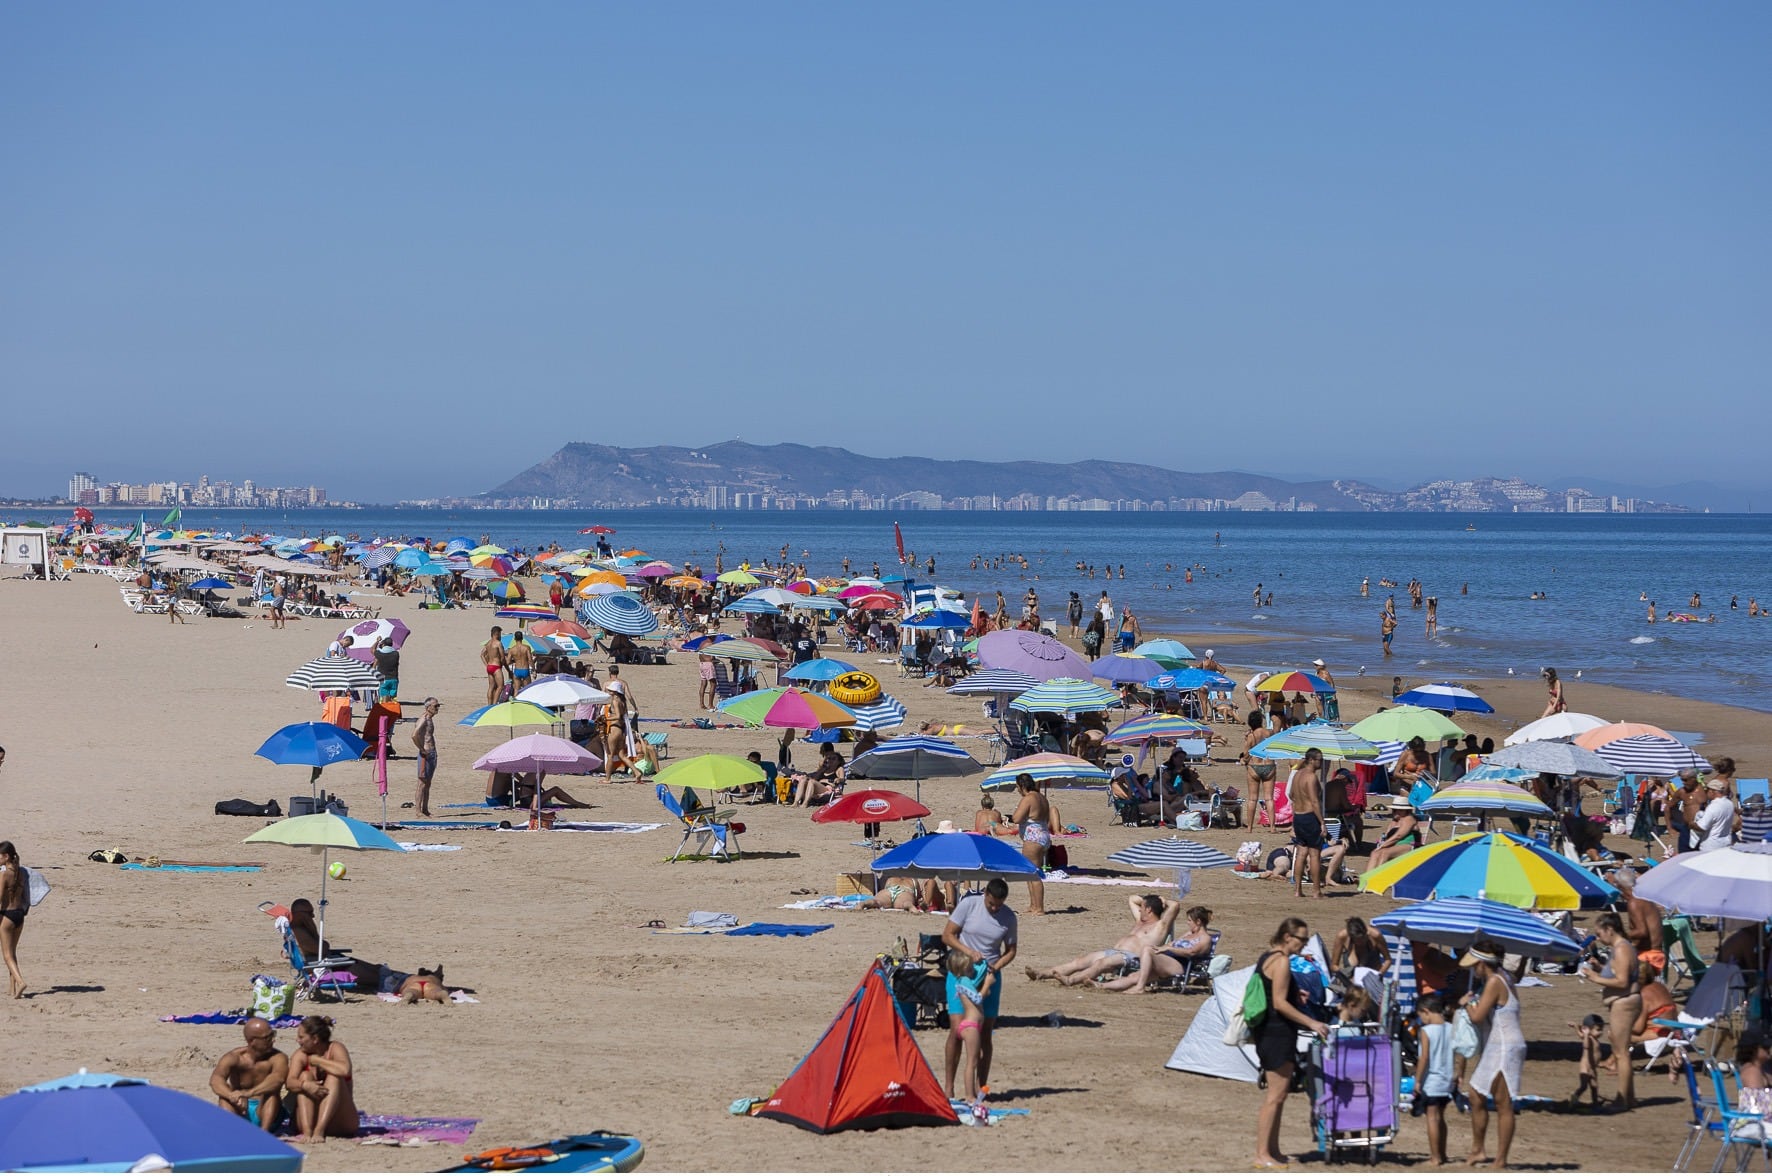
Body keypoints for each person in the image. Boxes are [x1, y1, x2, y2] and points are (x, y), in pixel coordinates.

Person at [1252, 917, 1330, 1169]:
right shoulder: (1282, 961)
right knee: (1275, 1096)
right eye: (1302, 940)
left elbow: (1278, 992)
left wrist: (1297, 994)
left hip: (1271, 1032)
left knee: (1281, 1093)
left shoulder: (1268, 957)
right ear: (1288, 937)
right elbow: (1279, 1003)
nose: (1304, 945)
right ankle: (1262, 1154)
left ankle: (1273, 1150)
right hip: (1276, 1033)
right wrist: (1312, 1023)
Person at [941, 879, 1017, 1099]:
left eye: (999, 905)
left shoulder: (1008, 917)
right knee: (957, 1029)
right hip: (962, 970)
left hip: (989, 974)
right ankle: (948, 1087)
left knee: (985, 1032)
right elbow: (948, 935)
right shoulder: (969, 905)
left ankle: (981, 1087)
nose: (995, 908)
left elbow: (1011, 950)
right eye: (992, 904)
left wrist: (998, 965)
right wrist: (968, 951)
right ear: (985, 894)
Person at [1024, 894, 1179, 986]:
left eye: (1143, 906)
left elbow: (1175, 905)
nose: (1140, 908)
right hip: (1115, 953)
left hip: (1133, 958)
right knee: (1079, 961)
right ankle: (1042, 974)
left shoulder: (1160, 926)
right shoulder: (1140, 920)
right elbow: (1132, 899)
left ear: (1149, 910)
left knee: (1100, 964)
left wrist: (1162, 900)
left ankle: (1070, 980)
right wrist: (1148, 900)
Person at [1461, 943, 1522, 1168]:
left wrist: (1467, 1004)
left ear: (1482, 964)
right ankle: (1478, 1150)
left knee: (1502, 1102)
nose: (1472, 971)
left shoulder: (1495, 981)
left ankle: (1501, 1159)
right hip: (1499, 1043)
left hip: (1504, 1045)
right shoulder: (1502, 977)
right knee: (1476, 1095)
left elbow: (1477, 1016)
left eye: (1474, 966)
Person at [1579, 913, 1640, 1109]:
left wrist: (1596, 978)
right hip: (1623, 1001)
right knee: (1621, 1051)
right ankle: (1628, 1097)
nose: (1598, 938)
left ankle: (1622, 1099)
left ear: (1609, 929)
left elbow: (1622, 981)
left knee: (1620, 1052)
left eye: (1599, 933)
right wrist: (1601, 967)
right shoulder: (1620, 948)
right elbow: (1619, 972)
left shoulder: (1622, 949)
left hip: (1624, 1002)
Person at [1098, 905, 1214, 992]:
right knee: (1133, 976)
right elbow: (1172, 944)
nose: (1187, 923)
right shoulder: (1189, 934)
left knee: (1148, 949)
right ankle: (1101, 986)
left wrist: (1168, 949)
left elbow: (1191, 952)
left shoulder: (1205, 938)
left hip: (1181, 965)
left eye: (1189, 920)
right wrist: (1162, 948)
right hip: (1168, 961)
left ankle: (1140, 987)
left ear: (1198, 922)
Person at [944, 947, 995, 1122]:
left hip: (971, 1025)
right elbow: (977, 998)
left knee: (975, 1057)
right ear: (963, 968)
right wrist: (987, 983)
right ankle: (969, 1096)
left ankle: (972, 1094)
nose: (973, 969)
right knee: (972, 1061)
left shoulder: (962, 981)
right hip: (970, 1026)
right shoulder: (964, 980)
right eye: (970, 967)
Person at [287, 1015, 357, 1143]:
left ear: (315, 1039)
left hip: (340, 1120)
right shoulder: (300, 1055)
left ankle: (320, 1129)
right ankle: (308, 1131)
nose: (298, 1040)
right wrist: (305, 1086)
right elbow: (290, 1082)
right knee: (304, 1076)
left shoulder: (335, 1048)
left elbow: (344, 1070)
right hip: (308, 1119)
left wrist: (317, 1061)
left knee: (334, 1076)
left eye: (301, 1037)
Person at [209, 1017, 288, 1130]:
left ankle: (264, 1134)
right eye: (267, 1037)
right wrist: (231, 1096)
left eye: (273, 1035)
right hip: (240, 1108)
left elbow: (277, 1080)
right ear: (252, 1041)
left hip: (264, 1110)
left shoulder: (278, 1057)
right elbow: (216, 1080)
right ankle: (232, 1130)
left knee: (271, 1093)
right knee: (224, 1097)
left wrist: (248, 1093)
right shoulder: (234, 1057)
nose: (273, 1040)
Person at [1415, 994, 1454, 1165]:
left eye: (1421, 1016)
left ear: (1426, 1011)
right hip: (1447, 1080)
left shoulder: (1427, 1031)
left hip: (1432, 1081)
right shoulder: (1451, 1028)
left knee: (1431, 1117)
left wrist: (1417, 1080)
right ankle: (1443, 1153)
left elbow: (1424, 1058)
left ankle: (1435, 1156)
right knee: (1441, 1117)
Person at [1008, 773, 1052, 915]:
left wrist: (1010, 816)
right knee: (1029, 873)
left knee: (1033, 874)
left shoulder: (1029, 798)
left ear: (1022, 786)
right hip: (1043, 834)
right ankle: (1033, 905)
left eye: (1018, 787)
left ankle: (1039, 907)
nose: (1018, 790)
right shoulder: (1042, 798)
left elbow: (1017, 818)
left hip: (1033, 837)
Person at [1289, 748, 1327, 900]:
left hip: (1298, 816)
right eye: (1319, 759)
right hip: (1310, 816)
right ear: (1311, 760)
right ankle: (1316, 891)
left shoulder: (1297, 774)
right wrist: (1322, 822)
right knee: (1314, 854)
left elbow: (1291, 795)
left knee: (1301, 853)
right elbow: (1314, 801)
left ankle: (1298, 890)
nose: (1321, 762)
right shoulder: (1311, 777)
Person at [0, 841, 26, 999]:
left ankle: (20, 981)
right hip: (19, 915)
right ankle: (12, 988)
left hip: (7, 916)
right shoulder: (21, 872)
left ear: (6, 856)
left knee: (7, 955)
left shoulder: (4, 874)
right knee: (13, 953)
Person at [1241, 711, 1276, 829]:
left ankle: (1249, 827)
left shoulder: (1251, 736)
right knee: (1269, 798)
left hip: (1254, 766)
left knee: (1252, 798)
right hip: (1269, 766)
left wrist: (1243, 760)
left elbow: (1246, 754)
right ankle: (1272, 827)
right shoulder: (1269, 733)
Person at [1331, 916, 1391, 983]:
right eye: (1358, 941)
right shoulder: (1342, 937)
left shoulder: (1375, 936)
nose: (1361, 943)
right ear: (1351, 937)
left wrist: (1378, 976)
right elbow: (1334, 965)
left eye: (1363, 938)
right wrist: (1344, 977)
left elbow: (1388, 960)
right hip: (1351, 984)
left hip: (1373, 982)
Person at [1570, 1013, 1606, 1110]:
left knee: (1594, 1086)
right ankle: (1575, 1096)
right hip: (1586, 1067)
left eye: (1602, 1030)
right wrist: (1585, 1035)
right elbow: (1585, 1046)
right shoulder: (1589, 1039)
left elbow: (1580, 1034)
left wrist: (1576, 1027)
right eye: (1598, 1030)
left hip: (1593, 1067)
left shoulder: (1593, 1038)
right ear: (1588, 1030)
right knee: (1584, 1086)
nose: (1601, 1032)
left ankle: (1595, 1103)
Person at [412, 697, 439, 818]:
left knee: (428, 783)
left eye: (438, 706)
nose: (437, 708)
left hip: (432, 753)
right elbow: (414, 735)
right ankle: (418, 811)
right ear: (428, 707)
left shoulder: (430, 719)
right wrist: (422, 749)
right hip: (425, 754)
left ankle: (425, 809)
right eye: (435, 706)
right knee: (421, 783)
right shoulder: (423, 719)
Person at [1693, 776, 1736, 851]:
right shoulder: (1730, 804)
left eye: (1707, 791)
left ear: (1712, 791)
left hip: (1711, 846)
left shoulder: (1713, 807)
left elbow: (1702, 827)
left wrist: (1691, 825)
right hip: (1725, 843)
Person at [480, 627, 506, 705]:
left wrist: (486, 664)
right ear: (497, 634)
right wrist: (502, 665)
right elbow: (502, 656)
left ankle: (489, 704)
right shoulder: (498, 643)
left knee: (491, 687)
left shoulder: (488, 643)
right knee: (500, 686)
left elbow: (482, 655)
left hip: (489, 666)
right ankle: (494, 704)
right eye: (500, 634)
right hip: (496, 667)